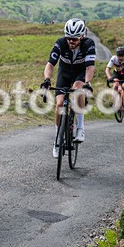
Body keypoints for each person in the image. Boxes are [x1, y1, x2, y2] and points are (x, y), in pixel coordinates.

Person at [40, 18, 96, 158]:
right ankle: (57, 139)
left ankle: (80, 128)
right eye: (69, 38)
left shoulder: (88, 44)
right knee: (59, 104)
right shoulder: (60, 43)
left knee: (77, 89)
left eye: (74, 39)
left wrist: (87, 82)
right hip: (64, 73)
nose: (71, 41)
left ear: (82, 36)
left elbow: (90, 67)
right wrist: (47, 80)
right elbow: (50, 64)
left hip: (80, 72)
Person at [105, 46, 124, 113]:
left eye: (122, 56)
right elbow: (107, 69)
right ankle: (114, 100)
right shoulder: (113, 58)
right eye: (119, 56)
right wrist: (109, 78)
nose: (121, 58)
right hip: (117, 73)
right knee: (115, 85)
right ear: (117, 55)